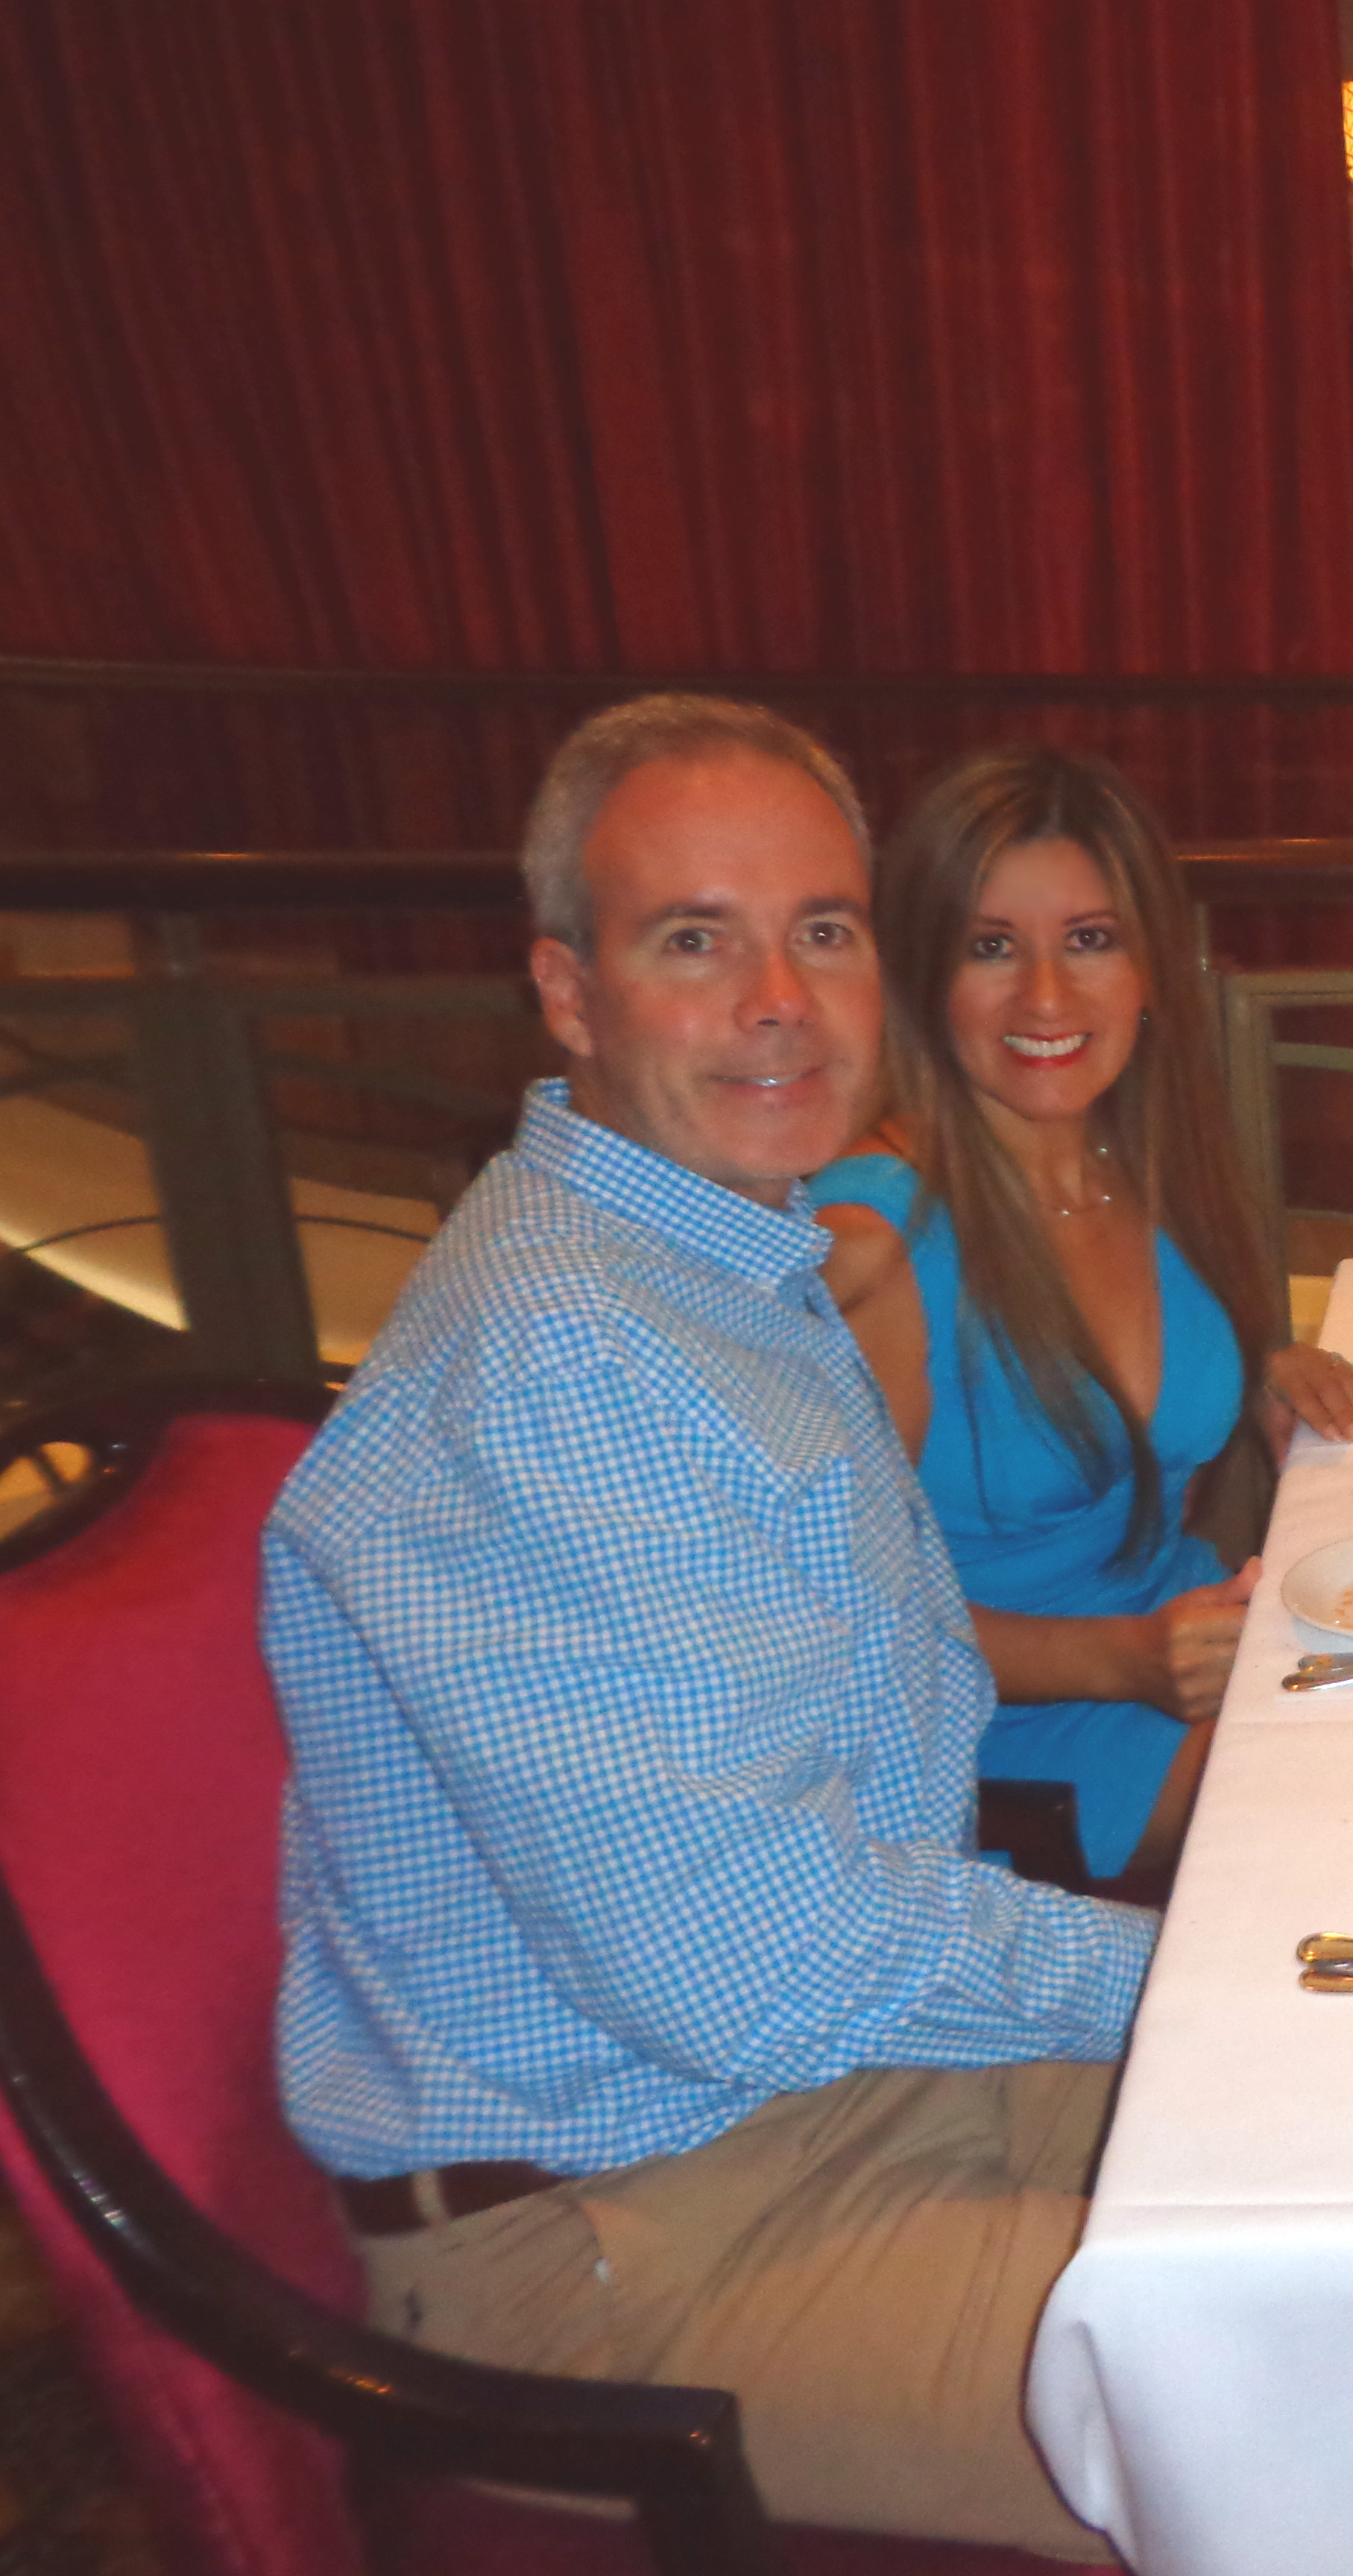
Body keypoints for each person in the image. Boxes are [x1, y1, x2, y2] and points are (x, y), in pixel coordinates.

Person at [263, 695, 1149, 2559]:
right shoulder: (563, 1358)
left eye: (822, 928)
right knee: (1329, 2387)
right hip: (610, 2228)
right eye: (694, 940)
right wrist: (1194, 1978)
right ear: (570, 993)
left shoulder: (718, 1259)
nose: (780, 1001)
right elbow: (759, 1965)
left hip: (817, 2088)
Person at [809, 749, 1353, 1885]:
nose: (1046, 998)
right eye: (990, 948)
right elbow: (833, 1627)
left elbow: (1097, 1390)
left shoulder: (1136, 1160)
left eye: (1089, 939)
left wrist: (1246, 1371)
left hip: (1185, 1643)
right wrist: (1121, 1662)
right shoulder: (870, 1244)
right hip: (1002, 1749)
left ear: (1151, 963)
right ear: (922, 973)